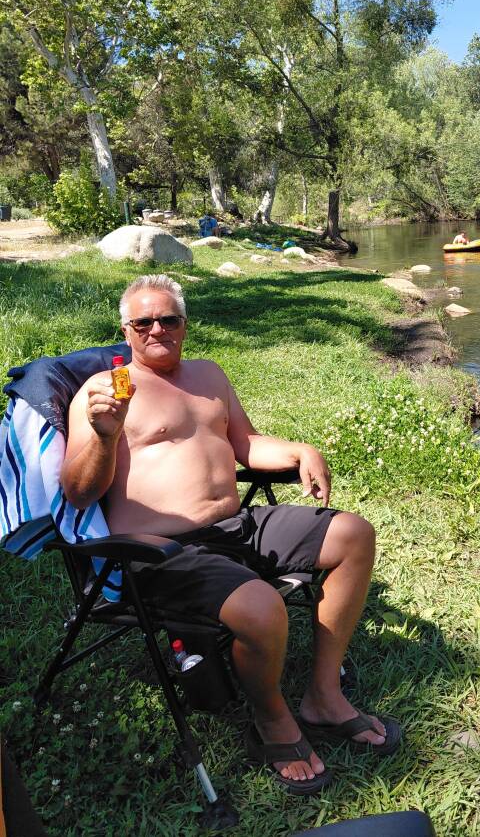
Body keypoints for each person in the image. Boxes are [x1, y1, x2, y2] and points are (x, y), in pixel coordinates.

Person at [61, 274, 399, 796]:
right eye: (143, 322)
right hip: (159, 553)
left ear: (184, 325)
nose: (157, 330)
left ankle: (324, 696)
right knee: (264, 608)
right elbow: (79, 492)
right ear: (125, 330)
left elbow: (246, 444)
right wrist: (105, 437)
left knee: (353, 534)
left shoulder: (209, 374)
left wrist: (300, 450)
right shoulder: (104, 393)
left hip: (235, 527)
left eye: (168, 319)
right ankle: (272, 720)